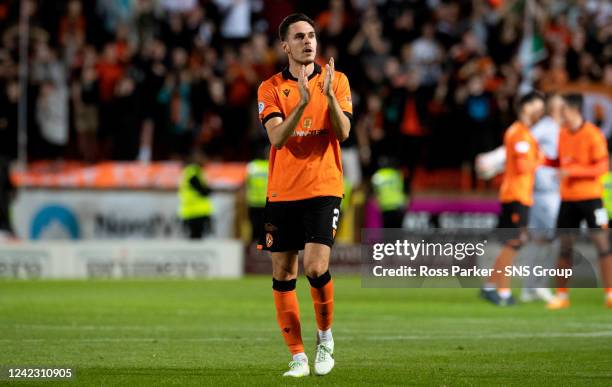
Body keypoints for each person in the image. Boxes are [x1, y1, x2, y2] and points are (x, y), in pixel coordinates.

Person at [256, 13, 352, 377]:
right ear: (286, 46)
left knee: (315, 266)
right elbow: (277, 139)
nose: (308, 42)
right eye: (299, 37)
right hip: (282, 192)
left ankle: (324, 338)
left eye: (311, 35)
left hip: (324, 187)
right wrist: (301, 101)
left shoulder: (338, 81)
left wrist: (325, 96)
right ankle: (297, 355)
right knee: (283, 272)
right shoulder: (270, 88)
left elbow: (343, 133)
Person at [545, 93, 612, 309]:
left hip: (592, 198)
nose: (559, 113)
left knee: (603, 245)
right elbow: (561, 162)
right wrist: (544, 161)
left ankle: (610, 294)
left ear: (574, 110)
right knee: (565, 248)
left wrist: (571, 172)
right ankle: (562, 296)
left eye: (562, 109)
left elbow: (602, 167)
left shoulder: (593, 135)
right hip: (568, 199)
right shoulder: (563, 133)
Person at [480, 91, 545, 306]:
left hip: (518, 194)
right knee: (515, 241)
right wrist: (539, 160)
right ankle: (504, 293)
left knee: (513, 243)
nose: (541, 111)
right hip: (516, 195)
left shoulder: (523, 133)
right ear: (526, 107)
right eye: (538, 106)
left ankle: (490, 286)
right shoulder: (519, 133)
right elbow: (522, 166)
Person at [177, 152, 213, 239]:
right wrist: (208, 190)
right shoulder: (193, 170)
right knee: (196, 236)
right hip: (195, 210)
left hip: (193, 210)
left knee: (195, 236)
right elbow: (199, 187)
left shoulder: (192, 171)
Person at [245, 157, 268, 243]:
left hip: (253, 202)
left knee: (254, 228)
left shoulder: (251, 166)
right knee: (266, 228)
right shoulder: (269, 165)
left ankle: (253, 250)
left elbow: (246, 183)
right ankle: (262, 249)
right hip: (266, 202)